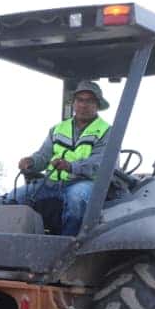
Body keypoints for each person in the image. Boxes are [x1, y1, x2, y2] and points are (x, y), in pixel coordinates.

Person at [8, 80, 111, 238]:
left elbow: (100, 162)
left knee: (76, 199)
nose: (83, 105)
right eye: (80, 100)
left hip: (85, 183)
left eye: (89, 101)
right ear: (74, 103)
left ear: (97, 105)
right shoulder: (58, 129)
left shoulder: (106, 131)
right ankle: (13, 244)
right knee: (15, 197)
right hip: (52, 183)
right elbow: (43, 155)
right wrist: (31, 162)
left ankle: (68, 247)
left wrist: (71, 166)